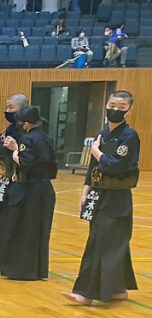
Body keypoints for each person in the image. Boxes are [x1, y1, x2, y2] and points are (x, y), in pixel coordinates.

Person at [64, 91, 139, 305]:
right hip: (98, 195)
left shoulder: (129, 136)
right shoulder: (102, 133)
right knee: (111, 243)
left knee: (102, 243)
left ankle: (86, 293)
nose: (115, 109)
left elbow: (115, 165)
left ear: (129, 110)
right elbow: (93, 168)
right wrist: (85, 193)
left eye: (121, 106)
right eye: (112, 104)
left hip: (117, 198)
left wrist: (96, 151)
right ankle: (117, 289)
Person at [0, 106, 55, 281]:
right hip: (45, 188)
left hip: (30, 189)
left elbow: (25, 161)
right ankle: (37, 270)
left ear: (27, 124)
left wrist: (15, 151)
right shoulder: (46, 138)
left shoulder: (27, 139)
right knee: (39, 230)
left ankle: (21, 270)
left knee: (22, 229)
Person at [0, 94, 27, 268]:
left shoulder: (27, 130)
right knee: (0, 218)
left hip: (19, 181)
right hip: (6, 179)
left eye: (12, 108)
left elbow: (28, 157)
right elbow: (5, 155)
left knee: (12, 220)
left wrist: (15, 148)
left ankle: (9, 258)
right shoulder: (9, 129)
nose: (8, 111)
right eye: (7, 107)